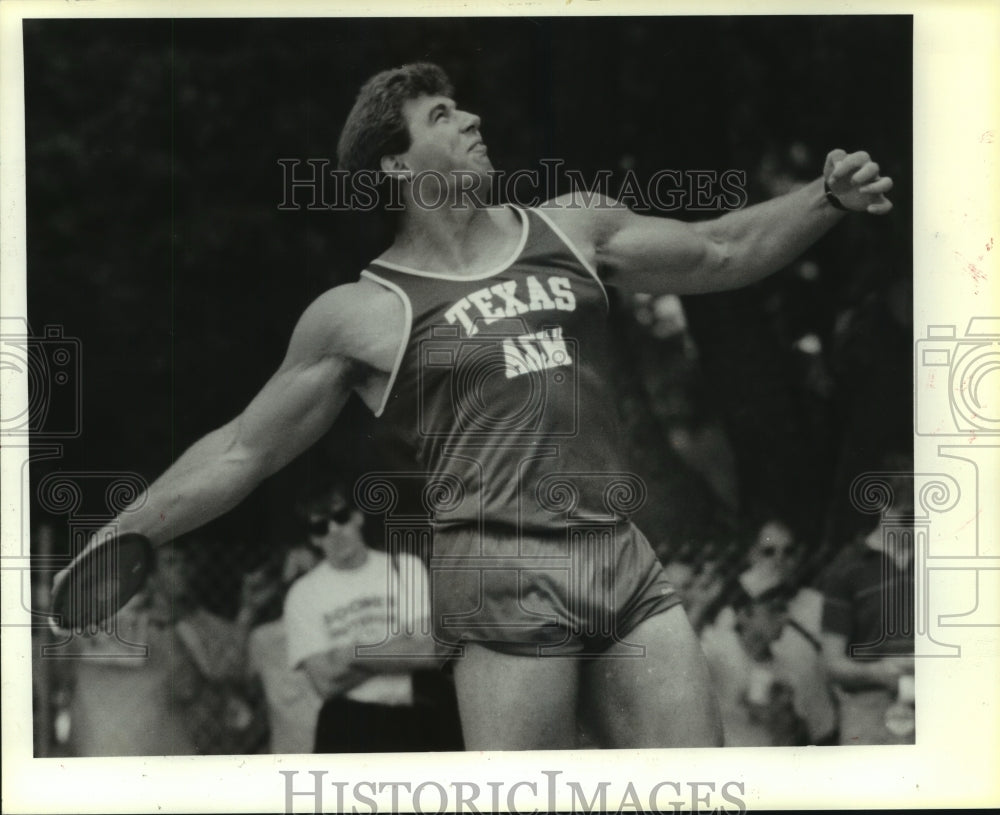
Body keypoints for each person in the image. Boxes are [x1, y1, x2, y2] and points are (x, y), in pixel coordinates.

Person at [61, 62, 894, 749]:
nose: (469, 121)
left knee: (698, 789)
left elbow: (721, 249)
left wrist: (823, 196)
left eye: (462, 107)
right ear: (395, 164)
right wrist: (126, 527)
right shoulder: (366, 310)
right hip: (501, 570)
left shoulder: (572, 229)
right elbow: (244, 448)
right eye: (440, 115)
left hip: (621, 555)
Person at [283, 483, 462, 753]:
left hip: (419, 715)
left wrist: (352, 653)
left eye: (341, 517)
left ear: (358, 516)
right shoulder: (303, 594)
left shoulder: (404, 568)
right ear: (314, 539)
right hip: (350, 725)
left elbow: (429, 652)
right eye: (321, 527)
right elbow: (326, 682)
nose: (334, 531)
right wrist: (398, 644)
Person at [55, 540, 271, 756]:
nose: (182, 569)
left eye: (186, 562)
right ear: (149, 576)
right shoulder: (109, 624)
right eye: (171, 562)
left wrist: (247, 612)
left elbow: (225, 669)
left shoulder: (196, 621)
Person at [816, 484, 915, 745]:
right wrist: (877, 672)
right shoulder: (847, 568)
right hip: (868, 711)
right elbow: (832, 663)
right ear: (884, 508)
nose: (919, 526)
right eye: (909, 517)